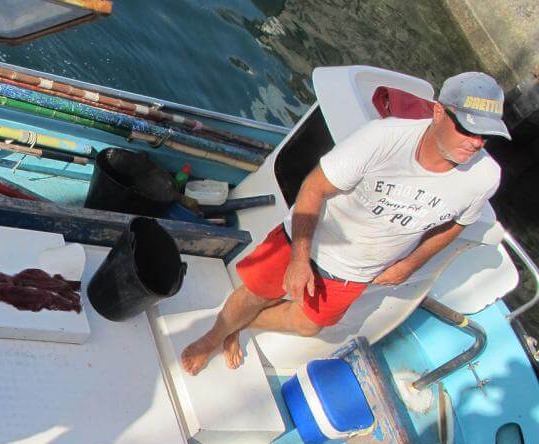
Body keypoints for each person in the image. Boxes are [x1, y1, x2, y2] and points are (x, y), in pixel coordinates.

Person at [181, 71, 509, 376]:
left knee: (308, 324)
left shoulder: (484, 177)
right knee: (254, 294)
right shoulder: (382, 139)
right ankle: (212, 338)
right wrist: (299, 259)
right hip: (309, 241)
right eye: (467, 129)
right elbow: (314, 187)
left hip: (357, 273)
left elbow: (457, 224)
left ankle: (241, 326)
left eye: (485, 135)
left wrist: (410, 265)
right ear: (438, 112)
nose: (476, 142)